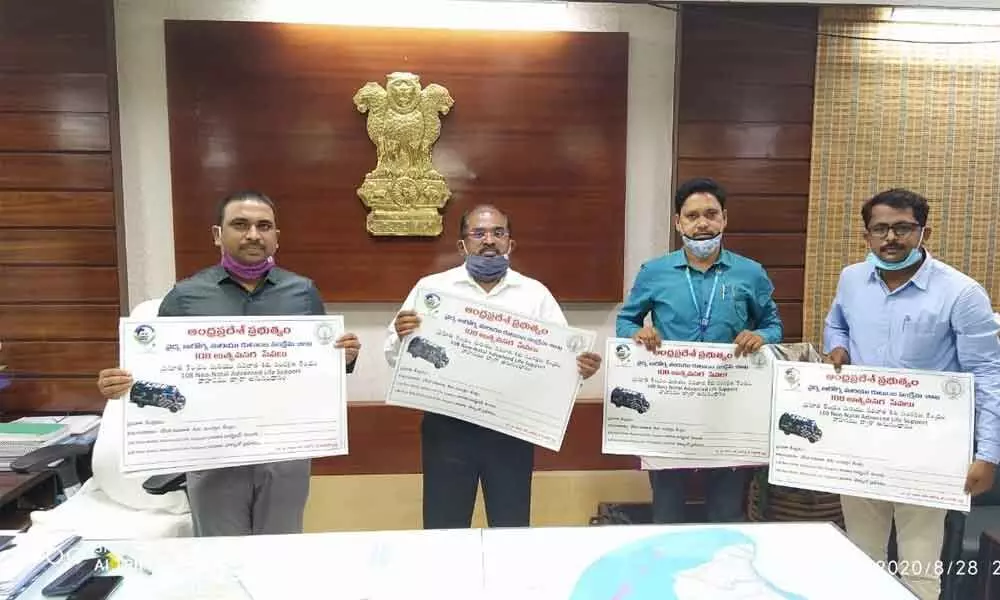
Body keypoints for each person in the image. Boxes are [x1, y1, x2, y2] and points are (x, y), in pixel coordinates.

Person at [96, 190, 361, 537]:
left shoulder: (302, 292)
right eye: (240, 224)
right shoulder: (186, 296)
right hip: (211, 454)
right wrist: (124, 386)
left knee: (280, 554)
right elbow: (158, 376)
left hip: (283, 452)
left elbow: (316, 372)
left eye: (263, 226)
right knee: (220, 559)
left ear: (276, 238)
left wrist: (344, 358)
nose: (253, 234)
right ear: (218, 234)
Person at [823, 188, 1000, 600]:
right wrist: (839, 346)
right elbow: (838, 323)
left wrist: (988, 455)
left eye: (903, 228)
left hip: (929, 449)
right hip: (861, 440)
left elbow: (989, 374)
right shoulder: (851, 279)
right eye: (880, 229)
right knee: (861, 559)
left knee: (919, 567)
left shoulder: (962, 293)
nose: (891, 238)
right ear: (866, 236)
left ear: (925, 232)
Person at [384, 204, 602, 529]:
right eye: (479, 233)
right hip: (449, 428)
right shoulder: (432, 290)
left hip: (511, 430)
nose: (489, 240)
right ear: (462, 245)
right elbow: (392, 354)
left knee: (511, 526)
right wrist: (403, 337)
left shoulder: (534, 294)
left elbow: (561, 360)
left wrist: (579, 369)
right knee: (444, 527)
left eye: (498, 233)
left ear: (510, 243)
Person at [615, 177, 783, 524]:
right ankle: (666, 573)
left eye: (711, 214)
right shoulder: (655, 271)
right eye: (692, 216)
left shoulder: (750, 273)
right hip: (669, 406)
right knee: (668, 505)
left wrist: (760, 335)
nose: (702, 223)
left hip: (731, 406)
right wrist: (638, 333)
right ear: (679, 223)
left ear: (725, 219)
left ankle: (724, 573)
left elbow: (774, 326)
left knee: (726, 508)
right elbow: (625, 323)